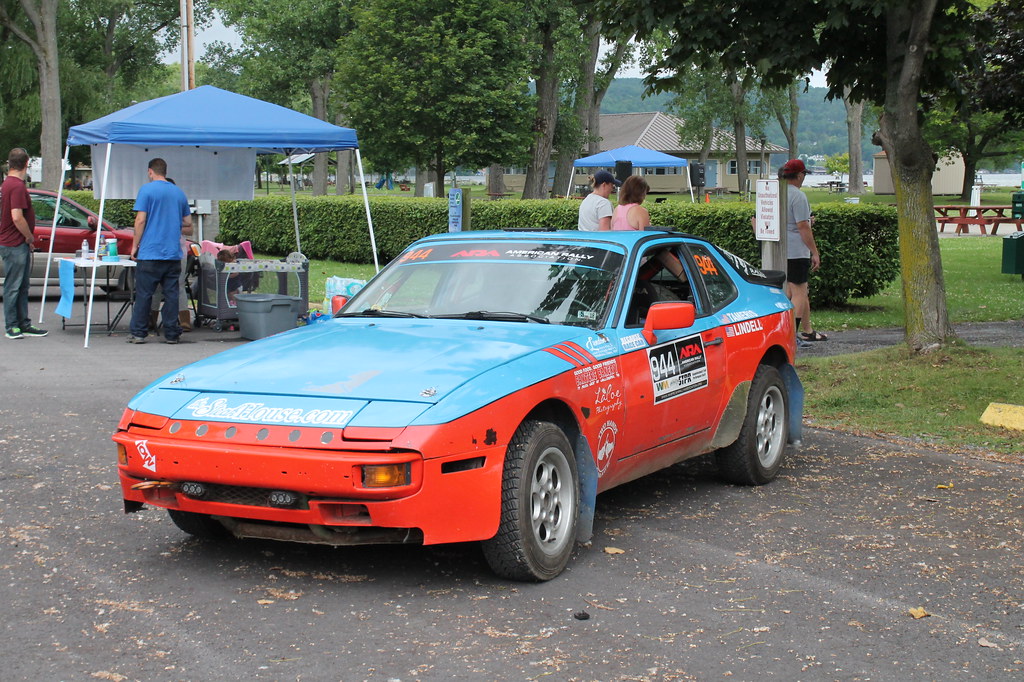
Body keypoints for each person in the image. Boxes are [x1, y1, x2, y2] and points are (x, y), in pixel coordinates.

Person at [127, 158, 192, 344]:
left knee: (144, 294)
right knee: (171, 295)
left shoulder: (146, 190)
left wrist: (134, 246)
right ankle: (171, 333)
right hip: (172, 253)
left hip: (150, 252)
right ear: (165, 171)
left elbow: (140, 220)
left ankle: (139, 333)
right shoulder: (179, 193)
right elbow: (188, 222)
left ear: (150, 171)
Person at [1, 147, 48, 339]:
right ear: (27, 163)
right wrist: (29, 237)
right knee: (14, 285)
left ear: (10, 163)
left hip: (11, 241)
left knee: (21, 285)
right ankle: (12, 325)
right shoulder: (17, 186)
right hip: (15, 243)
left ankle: (22, 323)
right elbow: (17, 217)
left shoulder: (7, 184)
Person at [779, 159, 826, 344]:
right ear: (799, 175)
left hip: (779, 249)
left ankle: (807, 331)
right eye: (804, 174)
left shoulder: (777, 193)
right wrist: (814, 252)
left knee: (791, 291)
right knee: (799, 292)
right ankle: (790, 335)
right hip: (796, 251)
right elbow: (802, 226)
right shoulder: (798, 196)